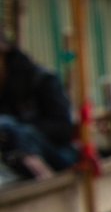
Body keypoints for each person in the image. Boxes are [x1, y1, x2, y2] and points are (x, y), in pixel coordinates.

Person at [0, 37, 77, 180]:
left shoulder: (42, 80)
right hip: (16, 166)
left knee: (7, 126)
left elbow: (64, 129)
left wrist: (22, 131)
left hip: (59, 155)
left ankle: (45, 179)